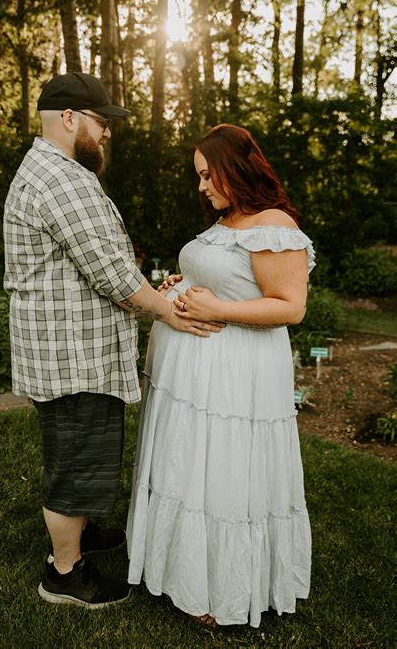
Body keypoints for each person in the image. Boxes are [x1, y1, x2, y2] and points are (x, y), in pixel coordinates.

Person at [3, 71, 221, 610]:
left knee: (81, 452)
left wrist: (148, 288)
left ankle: (80, 533)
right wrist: (168, 311)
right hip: (70, 355)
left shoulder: (55, 170)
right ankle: (64, 573)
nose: (108, 136)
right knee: (76, 460)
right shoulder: (61, 180)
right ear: (71, 118)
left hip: (68, 349)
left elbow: (107, 263)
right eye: (102, 124)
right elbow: (111, 274)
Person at [127, 124, 315, 628]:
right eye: (199, 176)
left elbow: (290, 307)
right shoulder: (227, 219)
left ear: (235, 168)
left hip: (236, 377)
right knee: (192, 468)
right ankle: (185, 571)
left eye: (208, 175)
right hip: (192, 378)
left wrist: (219, 307)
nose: (202, 186)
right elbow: (222, 278)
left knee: (226, 474)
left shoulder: (272, 224)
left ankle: (223, 589)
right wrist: (185, 285)